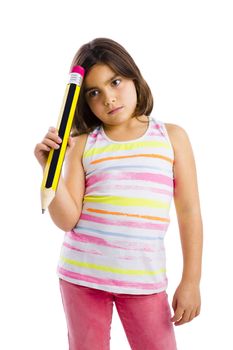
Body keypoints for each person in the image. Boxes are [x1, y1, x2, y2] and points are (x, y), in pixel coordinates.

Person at [34, 38, 203, 350]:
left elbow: (190, 212)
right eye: (95, 92)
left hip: (144, 282)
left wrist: (191, 281)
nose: (109, 98)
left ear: (134, 77)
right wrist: (51, 174)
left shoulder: (172, 138)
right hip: (82, 277)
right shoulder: (84, 144)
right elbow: (68, 219)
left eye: (115, 82)